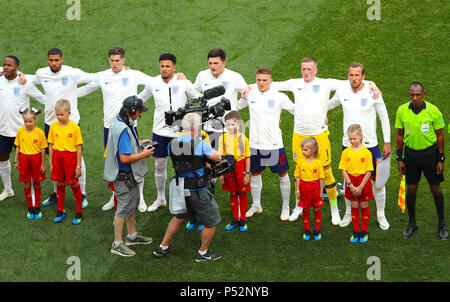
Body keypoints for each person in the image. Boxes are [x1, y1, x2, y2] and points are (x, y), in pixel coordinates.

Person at [244, 57, 381, 225]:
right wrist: (248, 87)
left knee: (326, 170)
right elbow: (273, 83)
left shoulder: (326, 83)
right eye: (303, 69)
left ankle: (333, 209)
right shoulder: (295, 83)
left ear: (315, 70)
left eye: (309, 69)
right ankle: (299, 206)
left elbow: (352, 81)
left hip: (319, 135)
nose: (306, 72)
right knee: (299, 171)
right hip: (299, 134)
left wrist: (371, 83)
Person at [77, 46, 162, 213]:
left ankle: (141, 198)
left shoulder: (133, 74)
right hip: (109, 128)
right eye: (112, 60)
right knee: (114, 163)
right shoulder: (102, 76)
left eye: (117, 60)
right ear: (108, 60)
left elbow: (154, 81)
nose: (114, 63)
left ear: (124, 60)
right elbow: (82, 89)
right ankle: (115, 196)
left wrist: (179, 78)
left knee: (136, 161)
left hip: (130, 128)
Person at [328, 62, 391, 230]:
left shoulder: (372, 92)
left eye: (357, 75)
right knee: (348, 179)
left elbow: (384, 117)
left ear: (363, 77)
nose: (354, 78)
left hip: (371, 146)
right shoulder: (342, 90)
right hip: (348, 145)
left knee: (378, 182)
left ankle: (380, 214)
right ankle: (348, 212)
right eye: (351, 74)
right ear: (347, 75)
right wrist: (321, 115)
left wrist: (387, 142)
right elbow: (328, 105)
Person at [153, 112, 223, 262]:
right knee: (212, 220)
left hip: (180, 187)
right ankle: (203, 253)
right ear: (196, 127)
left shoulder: (172, 143)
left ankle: (163, 247)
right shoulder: (200, 145)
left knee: (180, 216)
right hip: (197, 189)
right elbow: (217, 158)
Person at [137, 53, 201, 213]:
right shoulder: (153, 83)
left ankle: (184, 200)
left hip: (180, 133)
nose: (164, 69)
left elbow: (199, 99)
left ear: (174, 67)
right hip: (159, 132)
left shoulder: (184, 83)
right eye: (162, 66)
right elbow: (141, 98)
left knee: (183, 167)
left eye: (167, 66)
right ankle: (160, 199)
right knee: (159, 165)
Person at [33, 48, 93, 208]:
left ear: (62, 59)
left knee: (78, 158)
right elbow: (32, 80)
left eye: (57, 60)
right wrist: (21, 77)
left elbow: (94, 78)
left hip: (70, 124)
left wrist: (76, 92)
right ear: (47, 60)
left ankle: (83, 193)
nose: (54, 63)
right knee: (52, 158)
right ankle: (56, 192)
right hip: (50, 124)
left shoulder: (72, 73)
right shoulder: (41, 73)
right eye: (51, 60)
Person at [236, 67, 295, 221]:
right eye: (258, 80)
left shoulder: (279, 97)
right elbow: (236, 107)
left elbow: (296, 110)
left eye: (264, 80)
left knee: (282, 174)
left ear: (271, 81)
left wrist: (319, 116)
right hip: (255, 143)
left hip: (274, 144)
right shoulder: (250, 94)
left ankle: (286, 206)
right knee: (255, 173)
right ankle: (256, 205)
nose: (261, 83)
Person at [395, 82, 447, 240]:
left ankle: (442, 225)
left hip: (430, 155)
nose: (415, 98)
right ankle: (412, 224)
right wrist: (399, 158)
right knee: (411, 189)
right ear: (409, 94)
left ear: (424, 94)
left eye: (418, 95)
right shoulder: (402, 110)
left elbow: (439, 135)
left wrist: (441, 159)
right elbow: (399, 135)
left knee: (436, 189)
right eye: (412, 95)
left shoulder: (433, 110)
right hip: (410, 155)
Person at [104, 96, 154, 257]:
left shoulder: (121, 121)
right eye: (139, 111)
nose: (139, 114)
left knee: (132, 204)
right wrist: (144, 154)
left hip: (126, 174)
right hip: (123, 176)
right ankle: (117, 244)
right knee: (123, 208)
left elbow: (125, 146)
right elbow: (125, 158)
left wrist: (138, 143)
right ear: (131, 111)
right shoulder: (124, 129)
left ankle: (132, 236)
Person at [0, 55, 46, 201]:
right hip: (3, 130)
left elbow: (42, 98)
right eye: (4, 65)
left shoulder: (25, 83)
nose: (6, 67)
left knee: (30, 162)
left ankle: (33, 191)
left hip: (23, 131)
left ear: (18, 68)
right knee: (2, 159)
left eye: (10, 65)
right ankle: (8, 189)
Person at [194, 48, 247, 149]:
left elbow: (247, 95)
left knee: (229, 160)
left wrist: (235, 107)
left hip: (229, 127)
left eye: (216, 63)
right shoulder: (202, 75)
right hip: (208, 126)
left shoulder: (234, 77)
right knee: (209, 160)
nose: (212, 66)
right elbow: (193, 92)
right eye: (210, 63)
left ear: (224, 63)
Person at [47, 99, 84, 225]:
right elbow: (51, 146)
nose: (59, 117)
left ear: (69, 113)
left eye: (61, 114)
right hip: (57, 158)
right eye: (57, 114)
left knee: (74, 184)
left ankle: (79, 210)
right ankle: (60, 210)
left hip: (70, 158)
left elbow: (79, 148)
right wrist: (51, 163)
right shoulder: (53, 126)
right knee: (60, 184)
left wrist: (78, 166)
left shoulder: (74, 127)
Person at [339, 124, 374, 243]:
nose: (352, 141)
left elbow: (369, 171)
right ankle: (356, 230)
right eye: (350, 139)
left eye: (354, 138)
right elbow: (343, 170)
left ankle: (364, 230)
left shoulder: (367, 153)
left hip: (363, 183)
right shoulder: (346, 152)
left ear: (360, 136)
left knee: (364, 205)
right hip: (351, 183)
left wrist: (360, 187)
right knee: (354, 205)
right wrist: (350, 185)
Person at [218, 111, 251, 231]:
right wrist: (221, 173)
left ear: (239, 123)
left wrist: (247, 173)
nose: (230, 127)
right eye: (228, 125)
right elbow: (220, 157)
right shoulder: (222, 138)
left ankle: (243, 219)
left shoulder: (244, 138)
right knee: (232, 192)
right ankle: (235, 218)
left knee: (242, 192)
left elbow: (247, 157)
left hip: (241, 168)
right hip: (228, 168)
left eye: (233, 124)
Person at [13, 108, 48, 219]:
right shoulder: (20, 131)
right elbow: (17, 147)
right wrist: (15, 160)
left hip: (36, 160)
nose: (28, 124)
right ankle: (30, 207)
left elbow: (43, 149)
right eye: (25, 121)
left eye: (30, 121)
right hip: (24, 160)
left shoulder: (40, 133)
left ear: (35, 119)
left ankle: (37, 207)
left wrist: (43, 164)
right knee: (27, 184)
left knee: (37, 183)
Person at [294, 137, 324, 241]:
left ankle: (317, 229)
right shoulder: (300, 162)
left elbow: (321, 179)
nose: (303, 151)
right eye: (302, 149)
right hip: (304, 188)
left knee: (316, 208)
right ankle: (307, 230)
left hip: (315, 188)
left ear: (313, 150)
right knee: (305, 208)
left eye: (306, 149)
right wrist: (297, 190)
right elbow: (298, 177)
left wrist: (321, 192)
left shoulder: (318, 163)